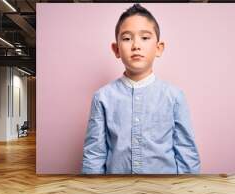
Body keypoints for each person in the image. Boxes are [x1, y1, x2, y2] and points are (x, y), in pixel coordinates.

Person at [81, 4, 200, 174]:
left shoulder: (175, 96)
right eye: (127, 38)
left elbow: (186, 151)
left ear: (159, 48)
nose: (136, 45)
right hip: (116, 192)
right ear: (116, 49)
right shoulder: (102, 97)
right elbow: (94, 154)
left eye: (145, 38)